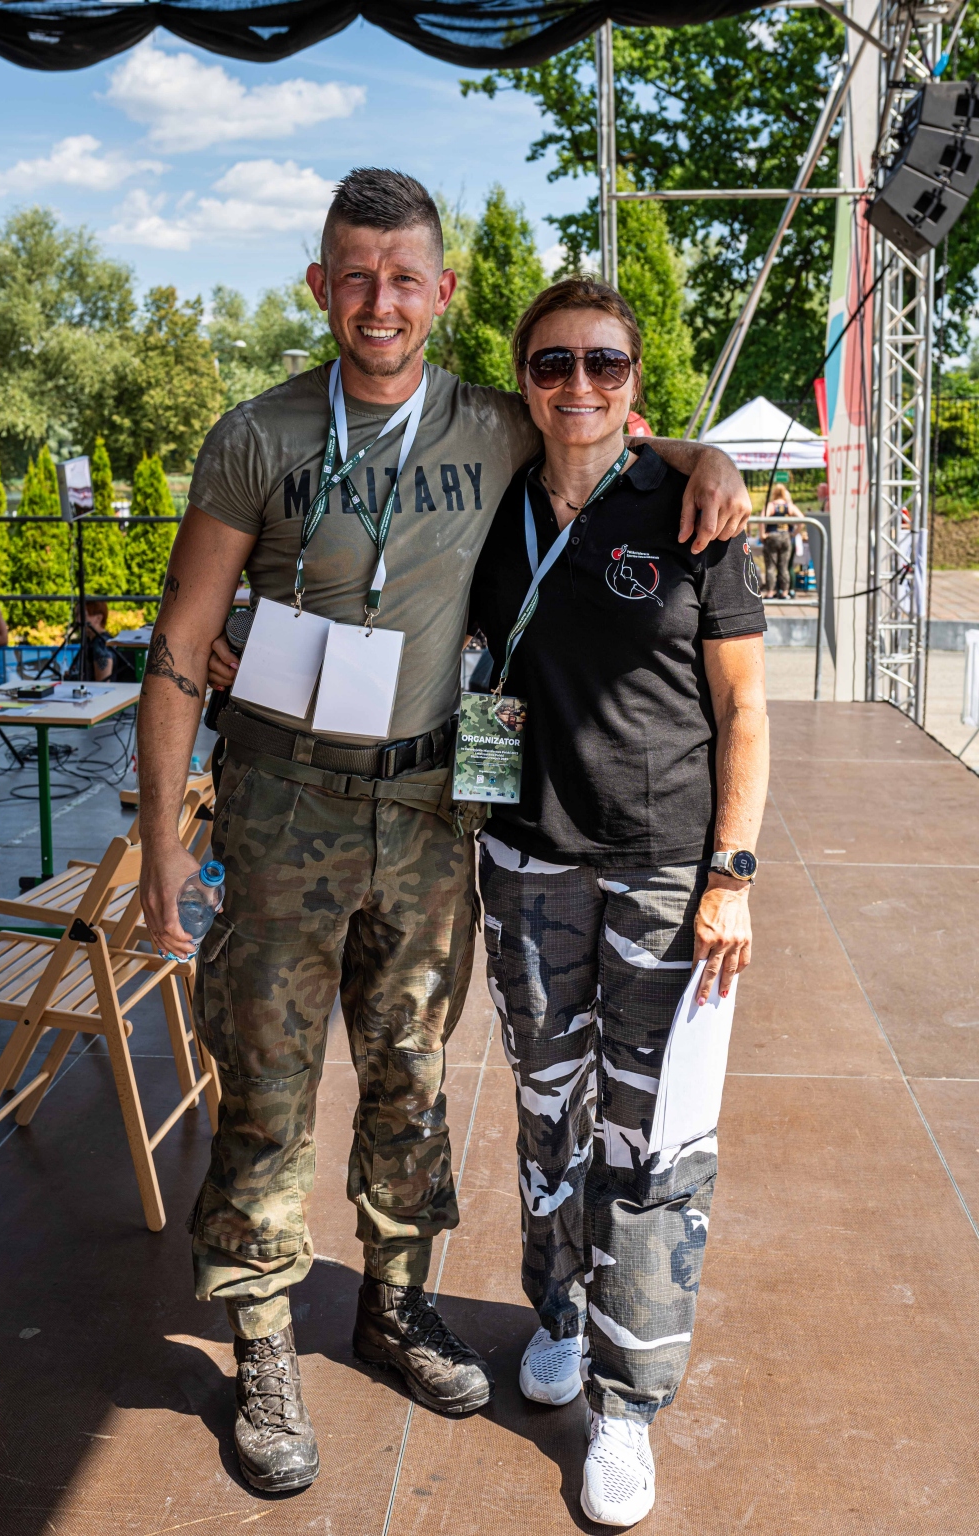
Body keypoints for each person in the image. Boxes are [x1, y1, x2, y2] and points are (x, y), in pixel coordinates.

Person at [138, 167, 752, 1497]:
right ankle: (261, 1337)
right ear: (320, 285)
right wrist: (164, 842)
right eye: (355, 276)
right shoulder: (256, 435)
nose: (380, 302)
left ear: (442, 292)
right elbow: (181, 645)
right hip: (285, 803)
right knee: (267, 1083)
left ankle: (396, 1305)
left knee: (412, 1075)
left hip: (428, 812)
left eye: (404, 278)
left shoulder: (493, 419)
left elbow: (607, 425)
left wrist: (706, 457)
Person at [467, 277, 768, 1526]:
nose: (578, 385)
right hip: (525, 866)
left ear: (634, 381)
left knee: (652, 1144)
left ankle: (628, 1403)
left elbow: (743, 709)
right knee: (549, 1117)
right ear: (524, 380)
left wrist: (730, 875)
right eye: (553, 364)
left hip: (663, 876)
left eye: (603, 363)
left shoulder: (694, 510)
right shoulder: (490, 499)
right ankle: (556, 1314)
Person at [761, 482, 800, 599]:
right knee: (784, 566)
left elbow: (762, 519)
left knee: (771, 566)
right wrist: (794, 533)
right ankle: (785, 592)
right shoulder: (789, 506)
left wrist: (762, 534)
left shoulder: (771, 505)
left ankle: (770, 592)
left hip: (772, 536)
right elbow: (801, 519)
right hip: (786, 537)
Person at [69, 600, 114, 682]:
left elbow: (103, 683)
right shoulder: (90, 641)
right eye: (77, 615)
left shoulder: (100, 643)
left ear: (98, 618)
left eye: (82, 615)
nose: (78, 620)